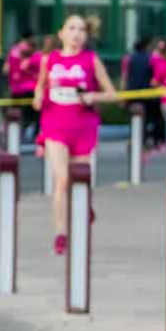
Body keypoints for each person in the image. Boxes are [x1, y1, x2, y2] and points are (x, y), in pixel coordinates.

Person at [33, 14, 118, 254]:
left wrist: (94, 96)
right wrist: (38, 97)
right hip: (54, 126)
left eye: (81, 29)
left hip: (83, 126)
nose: (76, 34)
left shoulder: (91, 60)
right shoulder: (49, 60)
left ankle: (85, 205)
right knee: (61, 180)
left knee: (80, 180)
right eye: (71, 28)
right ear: (61, 33)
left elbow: (113, 94)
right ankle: (61, 233)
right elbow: (40, 87)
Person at [4, 30, 39, 140]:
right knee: (31, 116)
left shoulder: (13, 51)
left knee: (16, 115)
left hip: (15, 89)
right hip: (29, 90)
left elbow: (5, 69)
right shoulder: (34, 55)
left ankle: (15, 135)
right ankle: (27, 135)